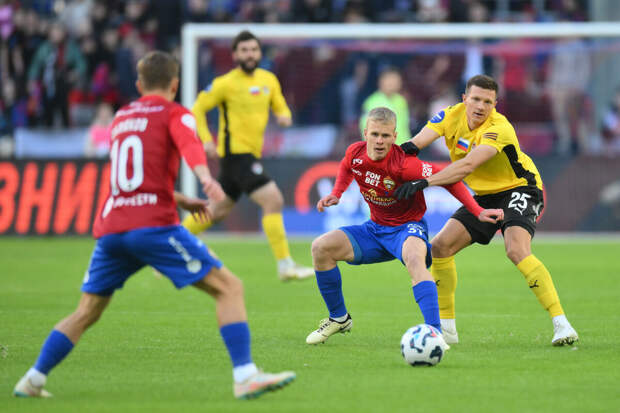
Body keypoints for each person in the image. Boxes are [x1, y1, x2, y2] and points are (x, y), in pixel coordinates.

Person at [13, 51, 295, 400]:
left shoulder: (121, 118)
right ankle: (246, 376)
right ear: (175, 84)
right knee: (229, 288)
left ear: (139, 84)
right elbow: (190, 146)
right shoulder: (175, 113)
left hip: (112, 230)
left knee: (86, 311)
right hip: (153, 227)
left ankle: (33, 379)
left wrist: (180, 199)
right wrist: (206, 179)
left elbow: (131, 177)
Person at [395, 74, 579, 346]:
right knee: (440, 247)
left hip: (520, 188)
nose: (481, 106)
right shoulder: (449, 115)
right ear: (464, 99)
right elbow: (413, 145)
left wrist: (425, 182)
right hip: (485, 196)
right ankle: (447, 330)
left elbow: (467, 166)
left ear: (495, 104)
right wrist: (386, 160)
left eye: (488, 102)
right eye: (476, 99)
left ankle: (562, 324)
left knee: (516, 249)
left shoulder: (499, 128)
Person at [305, 107, 504, 345]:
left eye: (386, 136)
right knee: (321, 248)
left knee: (415, 260)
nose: (380, 141)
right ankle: (339, 318)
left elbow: (450, 178)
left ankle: (434, 334)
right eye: (375, 134)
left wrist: (477, 211)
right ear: (365, 133)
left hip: (407, 228)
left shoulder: (405, 165)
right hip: (374, 229)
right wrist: (337, 193)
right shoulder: (354, 152)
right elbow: (348, 167)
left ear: (395, 136)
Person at [182, 30, 313, 282]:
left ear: (259, 53)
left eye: (253, 50)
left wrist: (284, 116)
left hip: (250, 154)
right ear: (235, 55)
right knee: (273, 199)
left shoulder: (268, 80)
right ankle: (285, 265)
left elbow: (280, 105)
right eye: (244, 50)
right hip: (236, 155)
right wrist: (206, 140)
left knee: (217, 210)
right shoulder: (225, 83)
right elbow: (197, 109)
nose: (250, 55)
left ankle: (169, 243)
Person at [359, 67, 410, 145]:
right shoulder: (372, 102)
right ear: (381, 81)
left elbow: (405, 128)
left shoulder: (401, 101)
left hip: (402, 148)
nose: (393, 84)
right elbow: (365, 128)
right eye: (390, 80)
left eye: (396, 81)